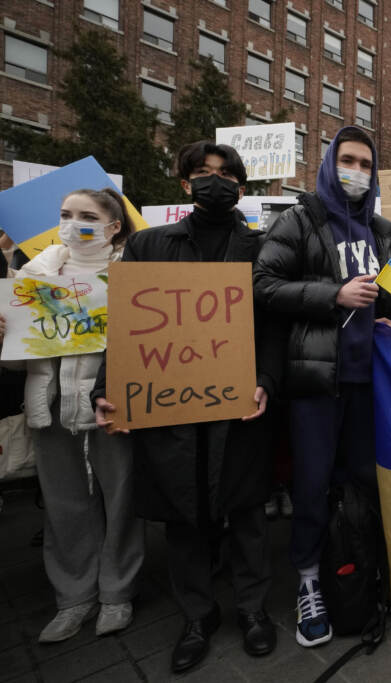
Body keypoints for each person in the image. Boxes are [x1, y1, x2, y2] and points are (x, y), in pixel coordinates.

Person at [92, 142, 282, 673]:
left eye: (224, 175)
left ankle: (251, 608)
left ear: (240, 188)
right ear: (184, 184)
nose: (213, 182)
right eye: (202, 173)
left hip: (238, 404)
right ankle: (197, 615)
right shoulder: (149, 246)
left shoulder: (260, 248)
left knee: (246, 510)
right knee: (184, 513)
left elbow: (271, 327)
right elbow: (126, 329)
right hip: (170, 406)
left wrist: (266, 379)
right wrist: (108, 389)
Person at [253, 126, 391, 648]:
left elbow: (389, 299)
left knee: (362, 482)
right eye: (348, 160)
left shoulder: (382, 230)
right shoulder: (301, 219)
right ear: (329, 163)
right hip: (317, 380)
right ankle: (309, 582)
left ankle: (359, 572)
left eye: (365, 162)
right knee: (312, 484)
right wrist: (333, 294)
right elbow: (263, 285)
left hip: (369, 382)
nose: (356, 170)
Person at [0, 189, 143, 643]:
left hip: (113, 406)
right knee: (63, 505)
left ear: (114, 225)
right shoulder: (32, 273)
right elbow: (16, 361)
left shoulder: (133, 275)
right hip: (50, 407)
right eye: (65, 214)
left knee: (121, 501)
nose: (72, 222)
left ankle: (117, 591)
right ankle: (72, 597)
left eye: (86, 215)